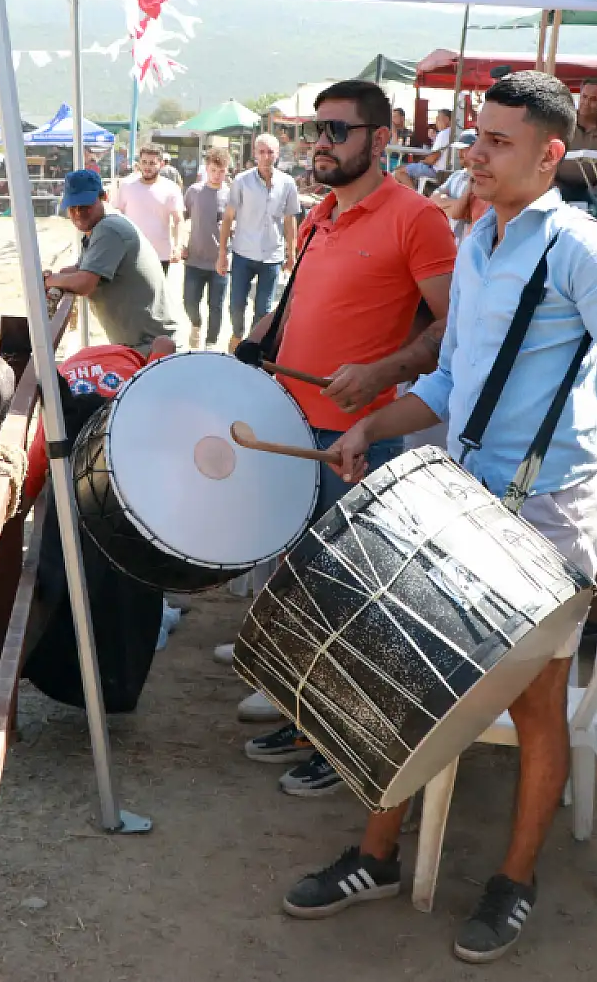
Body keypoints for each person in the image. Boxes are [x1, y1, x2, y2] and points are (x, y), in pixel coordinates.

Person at [282, 72, 597, 966]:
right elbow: (450, 381)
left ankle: (515, 878)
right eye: (477, 136)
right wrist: (372, 426)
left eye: (499, 143)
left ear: (549, 154)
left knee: (540, 702)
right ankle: (377, 856)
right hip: (461, 496)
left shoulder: (587, 250)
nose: (477, 154)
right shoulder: (476, 242)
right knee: (401, 668)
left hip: (549, 509)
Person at [231, 79, 455, 748]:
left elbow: (455, 325)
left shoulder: (417, 218)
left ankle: (339, 740)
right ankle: (304, 712)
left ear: (380, 139)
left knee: (349, 596)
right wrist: (252, 339)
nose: (319, 143)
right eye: (314, 130)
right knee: (301, 583)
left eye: (336, 130)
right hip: (292, 424)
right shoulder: (320, 211)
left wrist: (385, 370)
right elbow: (298, 305)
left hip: (360, 436)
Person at [44, 169, 178, 351]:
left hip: (151, 348)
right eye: (72, 207)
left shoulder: (109, 229)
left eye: (85, 206)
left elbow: (84, 283)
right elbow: (80, 269)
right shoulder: (102, 226)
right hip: (144, 344)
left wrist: (51, 280)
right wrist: (57, 277)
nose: (78, 213)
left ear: (104, 197)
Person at [221, 132, 300, 345]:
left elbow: (289, 220)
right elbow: (228, 217)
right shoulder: (241, 181)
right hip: (243, 252)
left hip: (272, 255)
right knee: (236, 305)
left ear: (277, 154)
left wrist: (291, 254)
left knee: (264, 309)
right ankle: (237, 336)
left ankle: (251, 348)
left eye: (270, 152)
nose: (266, 156)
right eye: (262, 152)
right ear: (255, 154)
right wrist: (222, 254)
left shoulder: (287, 183)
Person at [181, 147, 233, 348]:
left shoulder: (231, 196)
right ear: (206, 168)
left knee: (216, 306)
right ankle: (196, 324)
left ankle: (211, 343)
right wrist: (182, 244)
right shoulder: (194, 191)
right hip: (194, 258)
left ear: (227, 170)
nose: (217, 175)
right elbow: (182, 219)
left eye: (221, 171)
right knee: (189, 301)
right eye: (213, 170)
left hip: (220, 261)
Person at [114, 143, 184, 271]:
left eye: (152, 163)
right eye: (144, 162)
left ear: (161, 164)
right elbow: (117, 215)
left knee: (155, 291)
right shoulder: (127, 185)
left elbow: (178, 220)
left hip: (160, 255)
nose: (147, 167)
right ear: (139, 162)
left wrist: (178, 246)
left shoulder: (171, 188)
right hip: (130, 253)